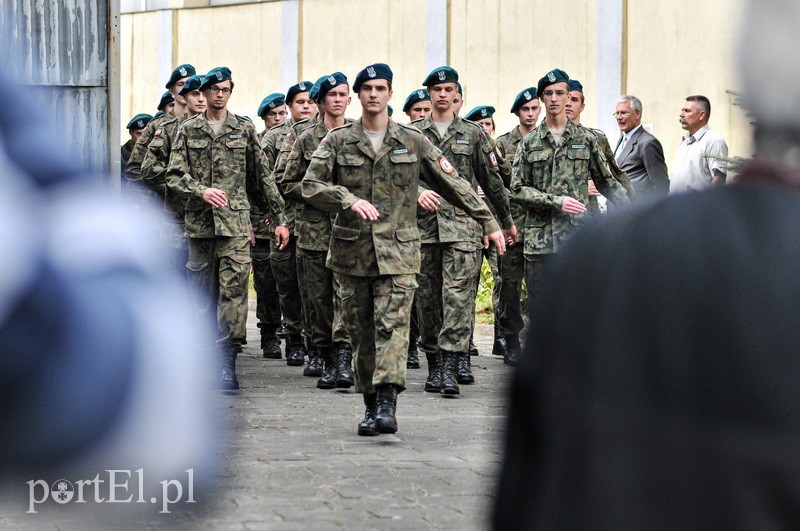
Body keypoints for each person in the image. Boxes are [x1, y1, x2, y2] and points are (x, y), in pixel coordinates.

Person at [495, 2, 800, 525]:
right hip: (549, 238)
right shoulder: (606, 249)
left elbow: (536, 477)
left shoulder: (610, 255)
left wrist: (632, 223)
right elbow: (512, 185)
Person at [302, 63, 506, 436]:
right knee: (362, 332)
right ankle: (369, 403)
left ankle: (386, 403)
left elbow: (454, 183)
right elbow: (310, 185)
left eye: (382, 88)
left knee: (393, 327)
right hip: (353, 255)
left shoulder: (413, 140)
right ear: (358, 96)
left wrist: (488, 221)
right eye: (368, 88)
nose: (375, 94)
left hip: (399, 255)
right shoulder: (337, 141)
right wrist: (346, 199)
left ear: (391, 94)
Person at [166, 66, 289, 390]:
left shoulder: (244, 129)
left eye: (226, 89)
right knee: (202, 296)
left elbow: (262, 177)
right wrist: (200, 190)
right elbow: (174, 175)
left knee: (234, 293)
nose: (220, 94)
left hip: (235, 225)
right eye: (215, 89)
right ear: (204, 93)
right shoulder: (187, 130)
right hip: (201, 226)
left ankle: (226, 362)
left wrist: (279, 219)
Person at [411, 66, 517, 396]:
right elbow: (395, 177)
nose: (443, 94)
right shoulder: (411, 134)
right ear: (429, 94)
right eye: (437, 89)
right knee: (428, 301)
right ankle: (433, 364)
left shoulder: (473, 134)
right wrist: (417, 192)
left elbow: (492, 183)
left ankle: (449, 367)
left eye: (449, 89)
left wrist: (506, 222)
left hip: (463, 230)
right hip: (424, 230)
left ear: (457, 94)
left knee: (458, 300)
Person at [512, 69, 628, 316]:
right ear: (542, 99)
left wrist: (633, 213)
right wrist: (556, 202)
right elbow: (518, 189)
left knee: (578, 304)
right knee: (541, 310)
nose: (554, 98)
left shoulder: (585, 139)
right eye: (548, 93)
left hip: (576, 237)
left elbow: (607, 182)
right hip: (539, 241)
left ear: (568, 97)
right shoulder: (529, 142)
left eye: (560, 93)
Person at [283, 72, 355, 389]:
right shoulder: (304, 137)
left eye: (343, 94)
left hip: (352, 230)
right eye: (332, 95)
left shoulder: (360, 134)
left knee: (347, 296)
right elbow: (286, 182)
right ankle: (323, 354)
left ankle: (342, 359)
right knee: (319, 298)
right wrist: (323, 195)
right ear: (321, 101)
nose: (338, 100)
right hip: (313, 231)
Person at [260, 81, 315, 366]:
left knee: (316, 287)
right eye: (299, 102)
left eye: (309, 101)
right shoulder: (274, 138)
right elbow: (262, 179)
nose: (305, 106)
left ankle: (317, 343)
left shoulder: (327, 135)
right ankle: (293, 338)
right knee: (286, 284)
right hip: (284, 224)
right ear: (289, 107)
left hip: (317, 225)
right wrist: (272, 211)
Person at [140, 75, 207, 277]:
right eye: (196, 94)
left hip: (209, 222)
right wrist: (179, 180)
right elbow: (147, 169)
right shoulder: (168, 130)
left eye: (205, 93)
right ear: (184, 97)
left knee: (205, 287)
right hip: (175, 218)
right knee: (174, 278)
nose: (202, 99)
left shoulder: (220, 131)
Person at [495, 87, 540, 367]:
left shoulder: (545, 141)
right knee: (509, 287)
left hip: (538, 228)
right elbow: (495, 187)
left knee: (538, 288)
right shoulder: (502, 145)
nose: (531, 114)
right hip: (512, 226)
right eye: (526, 110)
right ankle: (511, 341)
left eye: (535, 109)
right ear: (517, 113)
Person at [464, 104, 507, 358]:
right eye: (479, 125)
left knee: (502, 279)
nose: (484, 129)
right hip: (471, 227)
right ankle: (466, 338)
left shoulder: (497, 152)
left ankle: (499, 336)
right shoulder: (465, 151)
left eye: (488, 125)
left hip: (497, 228)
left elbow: (507, 187)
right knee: (469, 283)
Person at [252, 92, 288, 358]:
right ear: (264, 118)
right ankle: (269, 333)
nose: (278, 118)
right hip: (263, 222)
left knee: (287, 282)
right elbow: (257, 183)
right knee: (266, 283)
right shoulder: (263, 143)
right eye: (273, 115)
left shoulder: (291, 138)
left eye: (281, 114)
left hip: (285, 221)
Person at [565, 79, 636, 211]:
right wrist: (581, 186)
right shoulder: (546, 139)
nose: (568, 104)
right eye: (565, 99)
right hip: (556, 220)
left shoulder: (596, 138)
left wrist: (635, 209)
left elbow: (618, 176)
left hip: (588, 216)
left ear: (582, 107)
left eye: (574, 100)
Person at [126, 64, 197, 195]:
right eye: (181, 84)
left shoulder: (204, 123)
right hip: (165, 206)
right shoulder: (156, 126)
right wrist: (169, 185)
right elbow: (134, 169)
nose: (186, 89)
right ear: (171, 90)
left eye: (190, 84)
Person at [614, 95, 670, 202]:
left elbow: (661, 185)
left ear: (637, 114)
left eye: (624, 113)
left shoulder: (648, 142)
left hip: (636, 211)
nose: (619, 117)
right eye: (617, 113)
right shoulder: (621, 141)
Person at [670, 95, 729, 194]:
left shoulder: (714, 141)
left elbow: (718, 180)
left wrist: (705, 207)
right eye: (682, 110)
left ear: (701, 115)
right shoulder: (684, 142)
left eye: (687, 111)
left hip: (698, 208)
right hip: (675, 207)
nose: (681, 114)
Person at [121, 113, 152, 184]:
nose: (142, 138)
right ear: (130, 132)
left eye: (146, 134)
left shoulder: (155, 154)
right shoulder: (120, 155)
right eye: (139, 134)